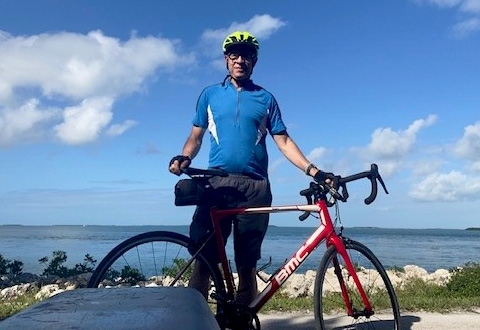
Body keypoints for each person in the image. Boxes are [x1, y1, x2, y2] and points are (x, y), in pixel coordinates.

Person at [169, 31, 331, 305]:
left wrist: (314, 171)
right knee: (204, 263)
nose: (240, 60)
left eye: (246, 55)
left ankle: (242, 320)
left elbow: (284, 141)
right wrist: (185, 157)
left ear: (254, 61)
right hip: (217, 185)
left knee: (247, 265)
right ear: (225, 59)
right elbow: (195, 136)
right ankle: (193, 321)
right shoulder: (209, 94)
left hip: (255, 188)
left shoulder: (266, 99)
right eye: (234, 54)